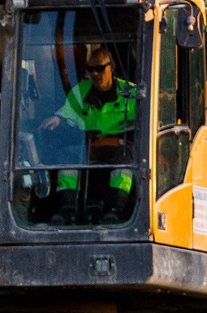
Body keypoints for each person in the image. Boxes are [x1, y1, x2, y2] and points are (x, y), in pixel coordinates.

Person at [48, 43, 139, 221]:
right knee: (67, 155)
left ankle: (116, 210)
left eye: (99, 69)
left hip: (119, 148)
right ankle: (67, 210)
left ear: (112, 67)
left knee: (124, 159)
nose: (94, 74)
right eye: (90, 69)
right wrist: (58, 119)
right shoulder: (81, 91)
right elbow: (67, 113)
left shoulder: (131, 94)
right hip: (88, 147)